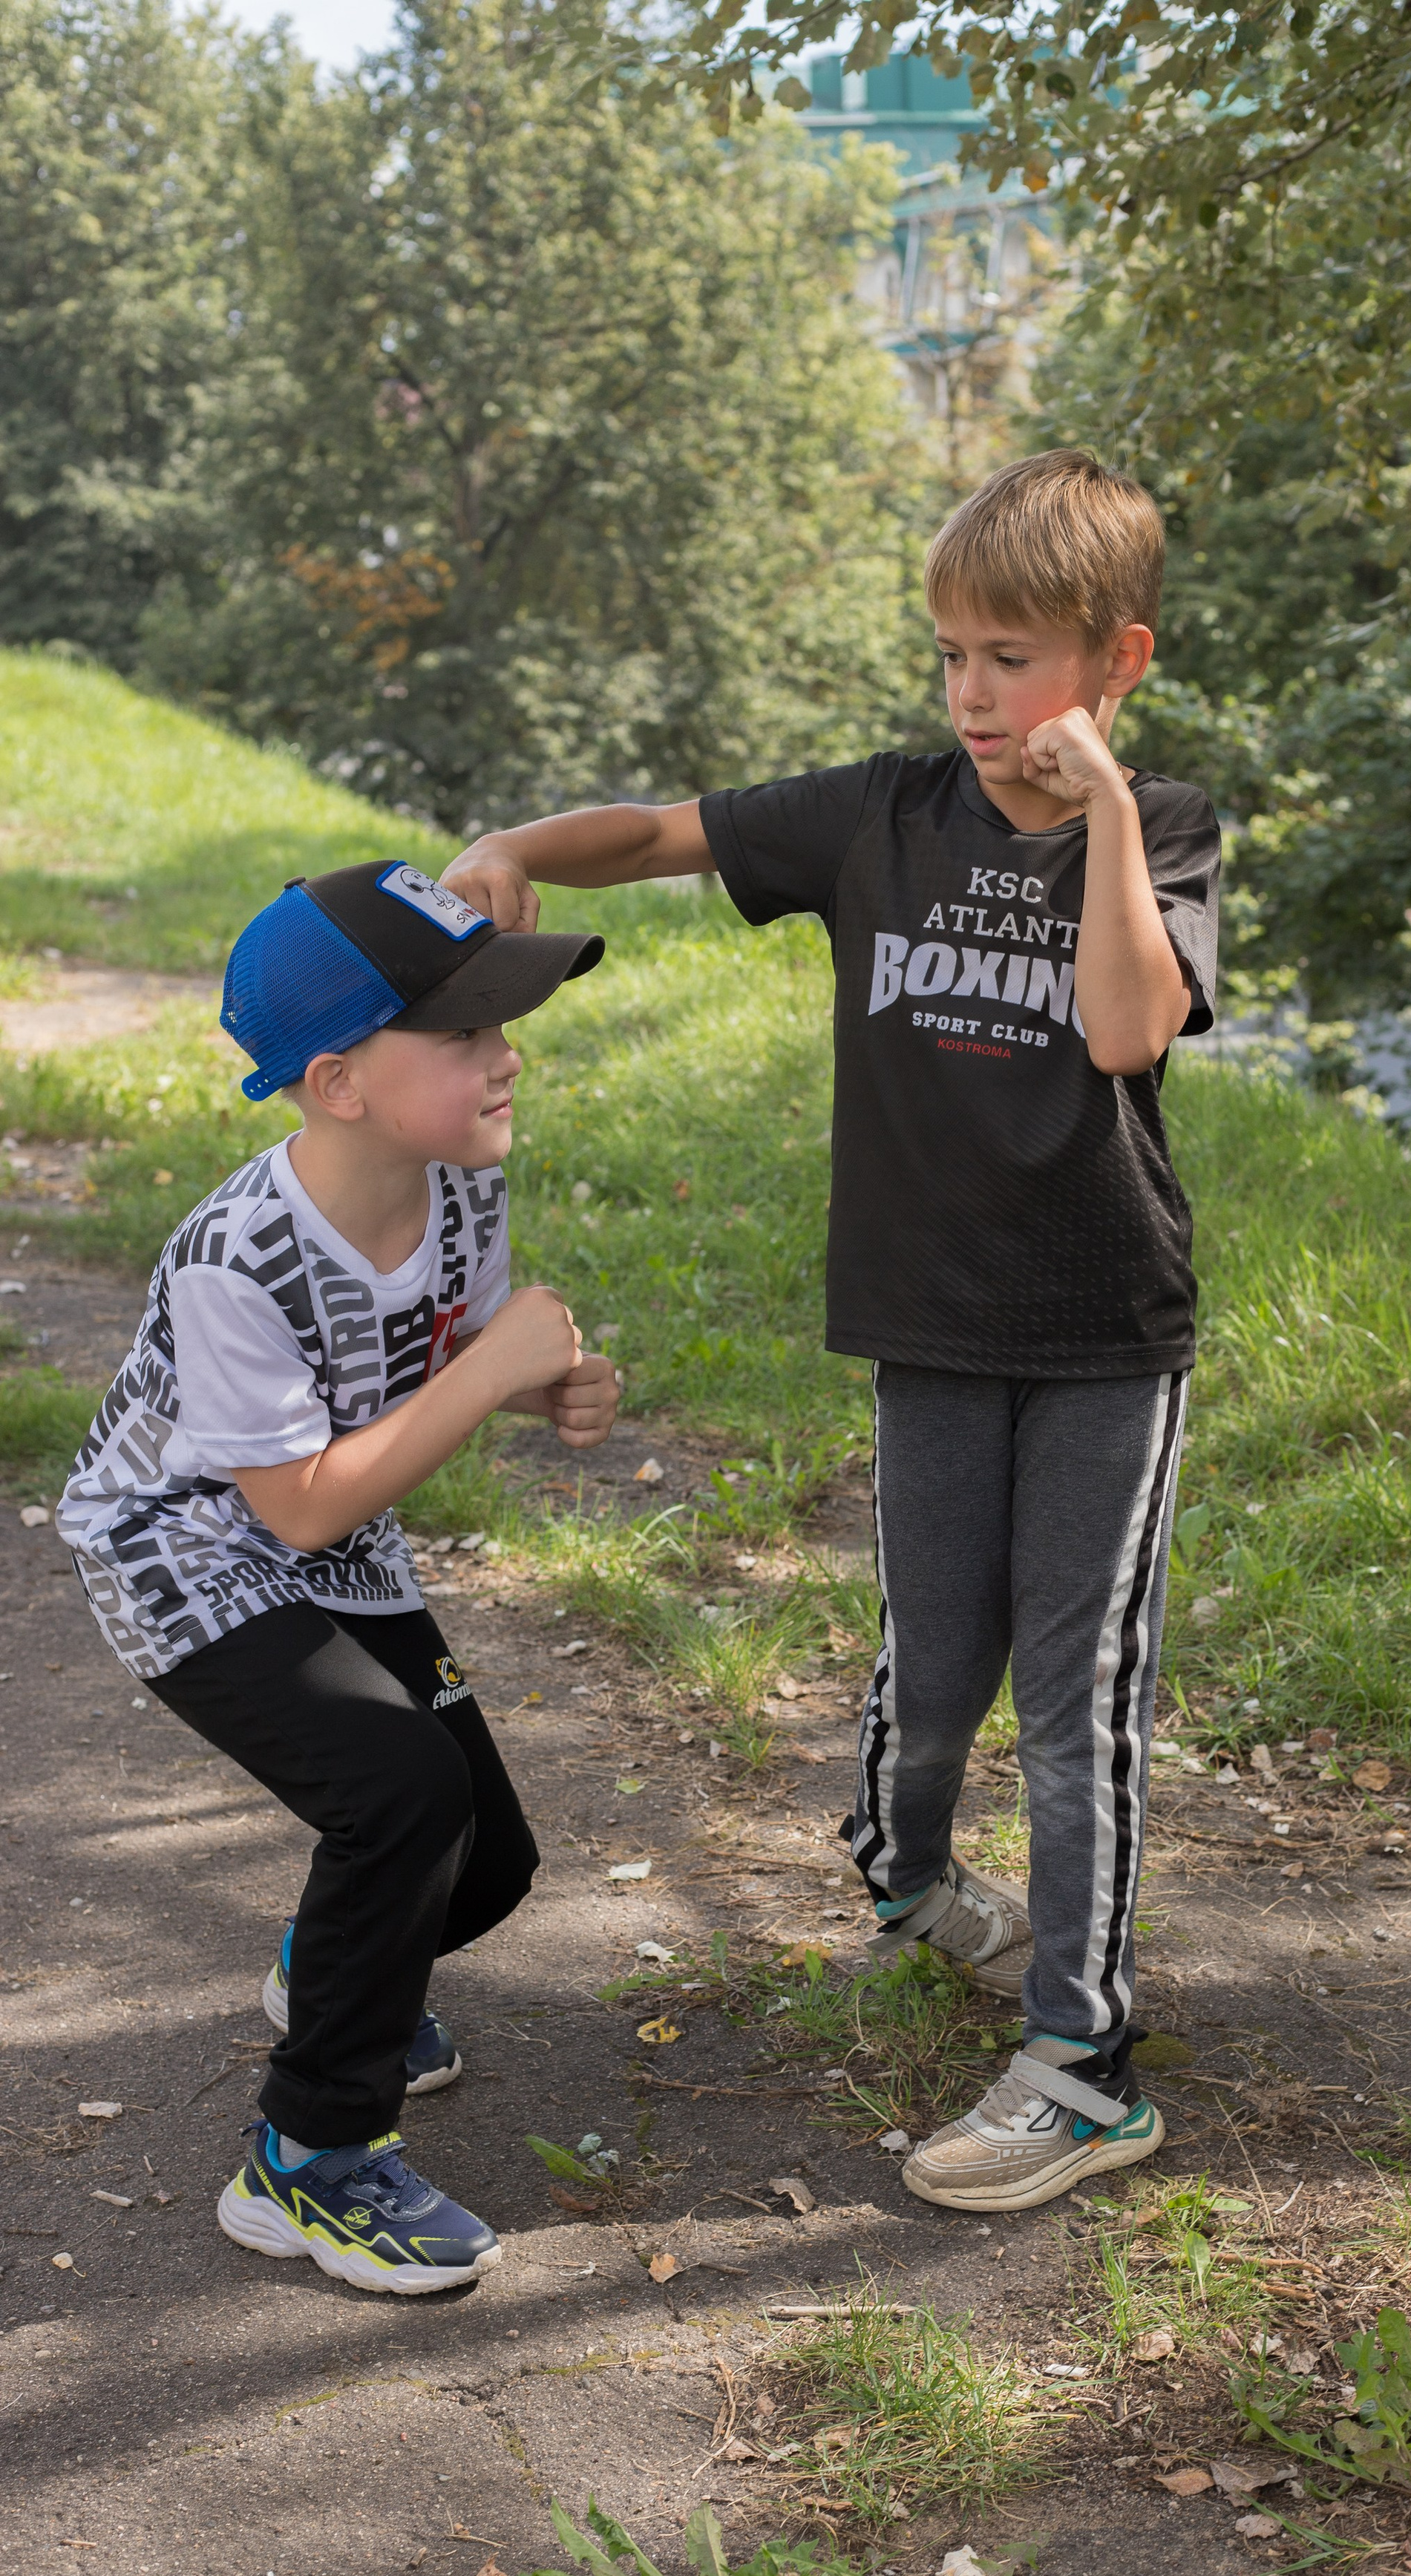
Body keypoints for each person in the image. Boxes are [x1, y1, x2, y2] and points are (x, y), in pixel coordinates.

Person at [442, 447, 1219, 2214]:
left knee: (1074, 1688)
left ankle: (1083, 2059)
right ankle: (909, 1876)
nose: (969, 694)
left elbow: (1121, 1033)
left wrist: (1096, 817)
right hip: (923, 1324)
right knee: (930, 1668)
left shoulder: (1161, 830)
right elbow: (653, 836)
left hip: (1104, 1329)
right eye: (950, 652)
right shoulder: (882, 814)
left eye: (1009, 659)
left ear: (1116, 663)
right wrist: (507, 851)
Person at [57, 860, 618, 2294]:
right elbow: (298, 1508)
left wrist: (542, 1386)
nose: (506, 1057)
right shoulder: (233, 1260)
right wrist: (494, 1367)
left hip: (336, 1539)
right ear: (339, 1082)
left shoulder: (456, 1185)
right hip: (187, 1558)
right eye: (465, 1033)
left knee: (484, 1863)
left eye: (504, 1023)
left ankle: (332, 1979)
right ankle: (305, 2163)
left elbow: (450, 1353)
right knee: (400, 1799)